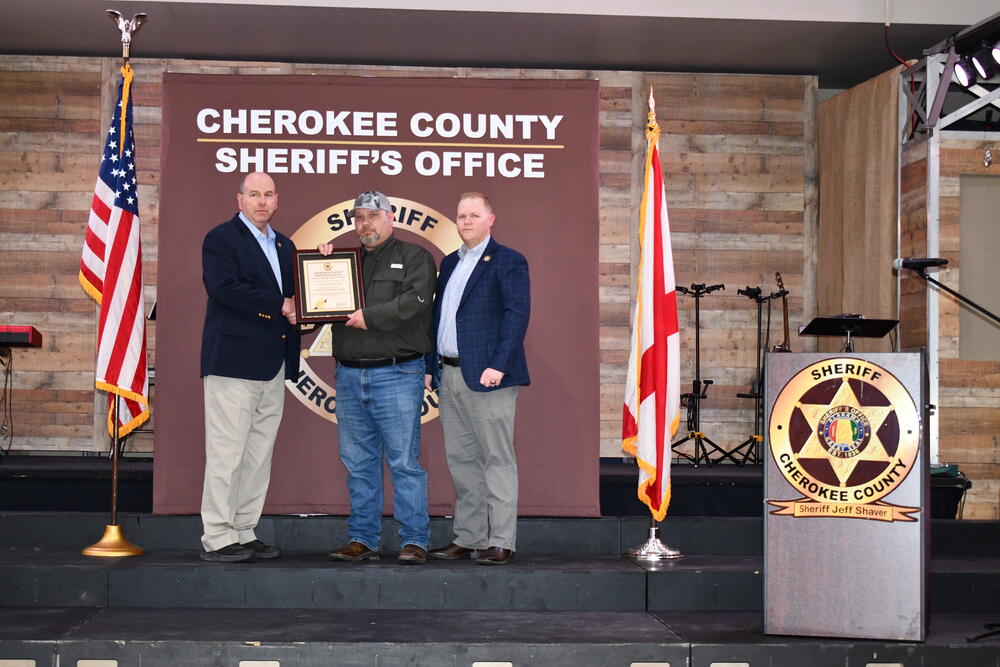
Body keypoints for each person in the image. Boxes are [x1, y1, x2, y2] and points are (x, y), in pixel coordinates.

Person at [319, 190, 435, 565]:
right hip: (350, 374)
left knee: (404, 461)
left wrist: (371, 317)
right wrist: (320, 269)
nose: (364, 224)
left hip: (398, 372)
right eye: (358, 218)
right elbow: (317, 299)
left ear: (390, 217)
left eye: (372, 215)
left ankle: (415, 540)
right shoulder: (343, 260)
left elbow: (417, 300)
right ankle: (362, 538)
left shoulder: (415, 257)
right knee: (358, 462)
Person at [199, 171, 299, 562]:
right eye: (254, 194)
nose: (262, 201)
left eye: (268, 194)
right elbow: (223, 288)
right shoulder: (221, 239)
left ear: (277, 200)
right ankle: (218, 535)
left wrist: (323, 270)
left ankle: (243, 527)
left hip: (273, 364)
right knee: (227, 452)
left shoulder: (285, 244)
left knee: (258, 454)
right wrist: (280, 305)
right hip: (233, 362)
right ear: (239, 199)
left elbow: (299, 299)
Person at [425, 192, 530, 565]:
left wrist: (499, 365)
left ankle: (501, 540)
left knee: (497, 460)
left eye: (473, 215)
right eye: (461, 216)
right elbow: (439, 318)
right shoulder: (450, 262)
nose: (466, 221)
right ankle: (468, 537)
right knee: (462, 462)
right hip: (449, 374)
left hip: (490, 378)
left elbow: (516, 316)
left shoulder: (508, 261)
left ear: (491, 220)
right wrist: (429, 366)